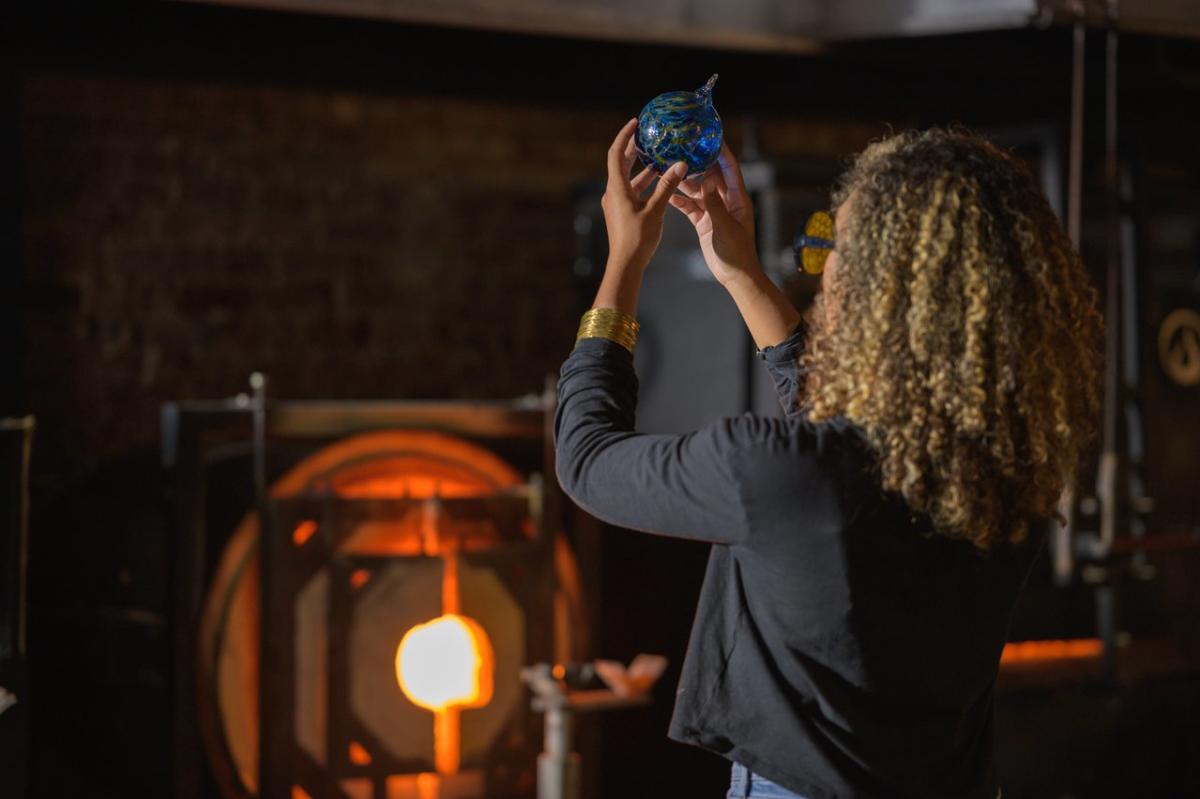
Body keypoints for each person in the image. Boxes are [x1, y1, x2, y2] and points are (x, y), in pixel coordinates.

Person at [554, 119, 1103, 798]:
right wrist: (740, 271)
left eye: (832, 242)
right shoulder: (1005, 469)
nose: (823, 262)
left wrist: (624, 263)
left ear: (876, 285)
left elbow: (585, 457)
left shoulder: (776, 472)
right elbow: (847, 432)